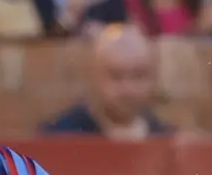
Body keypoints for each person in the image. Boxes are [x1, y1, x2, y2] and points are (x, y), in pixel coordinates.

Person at [42, 24, 173, 139]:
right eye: (115, 76)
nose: (128, 88)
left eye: (138, 76)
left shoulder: (166, 140)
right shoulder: (59, 138)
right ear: (92, 76)